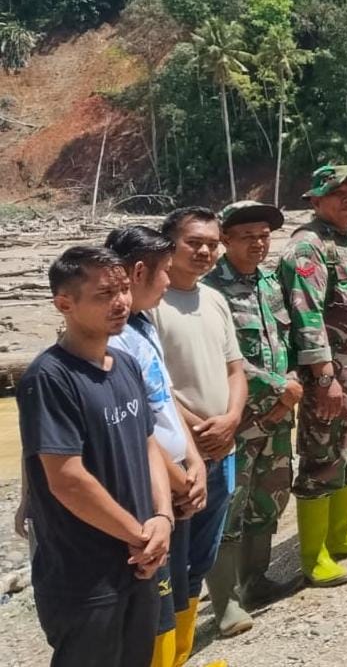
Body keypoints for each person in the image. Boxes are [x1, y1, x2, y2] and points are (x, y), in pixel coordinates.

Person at [19, 246, 172, 667]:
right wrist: (140, 536)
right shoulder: (49, 378)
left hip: (139, 560)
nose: (121, 302)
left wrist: (162, 517)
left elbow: (147, 444)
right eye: (105, 294)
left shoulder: (124, 364)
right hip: (85, 574)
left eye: (124, 289)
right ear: (64, 304)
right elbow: (67, 479)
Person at [277, 164, 347, 588]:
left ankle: (341, 533)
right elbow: (306, 316)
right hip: (332, 378)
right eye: (337, 193)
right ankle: (314, 554)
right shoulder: (308, 247)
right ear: (315, 200)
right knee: (322, 457)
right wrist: (324, 379)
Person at [103, 227, 206, 662]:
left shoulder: (143, 324)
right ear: (140, 270)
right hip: (150, 488)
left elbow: (164, 400)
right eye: (164, 271)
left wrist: (194, 460)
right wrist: (177, 478)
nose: (169, 281)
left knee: (178, 584)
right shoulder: (112, 340)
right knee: (156, 599)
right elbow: (136, 429)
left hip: (177, 477)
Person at [201, 202, 303, 637]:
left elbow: (290, 339)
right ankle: (225, 605)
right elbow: (227, 360)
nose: (259, 244)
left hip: (278, 420)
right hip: (238, 422)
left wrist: (293, 379)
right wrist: (280, 387)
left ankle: (255, 581)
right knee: (228, 508)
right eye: (248, 236)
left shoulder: (272, 281)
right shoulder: (210, 291)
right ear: (225, 239)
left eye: (264, 235)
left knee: (270, 498)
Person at [149, 207, 246, 651]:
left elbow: (235, 370)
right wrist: (200, 428)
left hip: (221, 446)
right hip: (177, 456)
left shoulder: (214, 299)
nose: (205, 251)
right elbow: (155, 388)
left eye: (212, 243)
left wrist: (230, 421)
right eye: (194, 242)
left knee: (200, 557)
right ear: (169, 245)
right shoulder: (151, 306)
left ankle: (182, 651)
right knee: (173, 562)